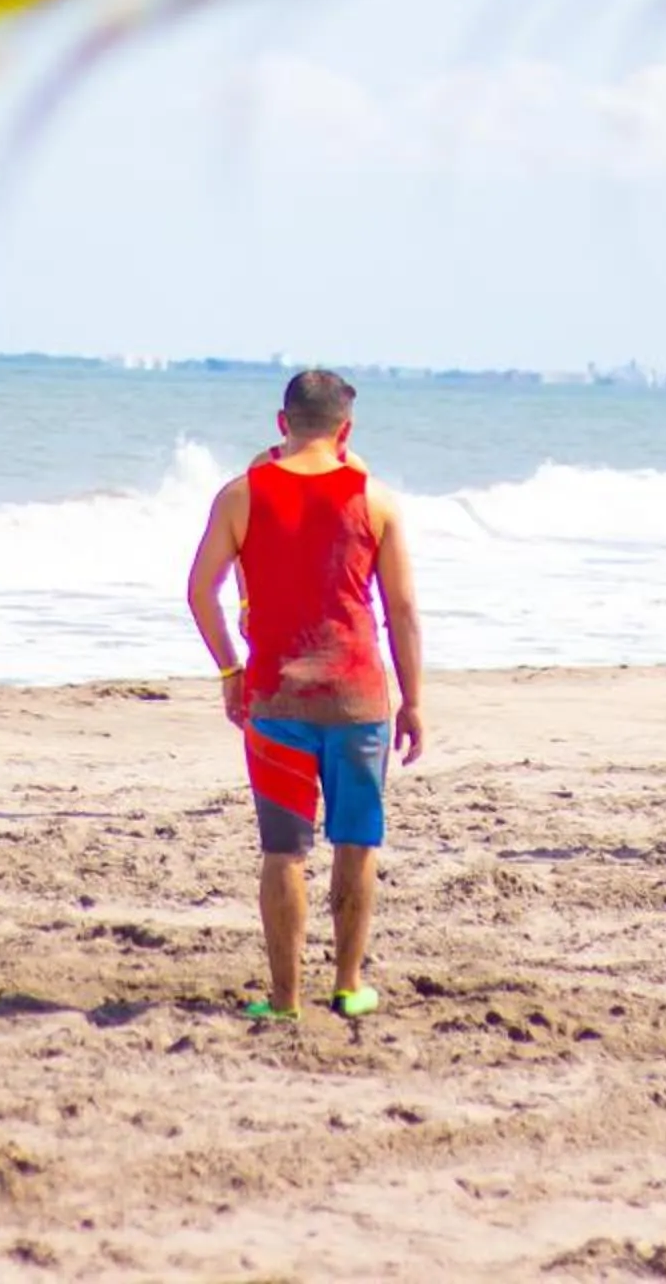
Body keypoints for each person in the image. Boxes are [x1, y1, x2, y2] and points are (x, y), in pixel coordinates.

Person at [183, 370, 423, 1023]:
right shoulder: (376, 499)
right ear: (345, 428)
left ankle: (285, 1000)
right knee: (355, 844)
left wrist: (231, 672)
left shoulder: (240, 495)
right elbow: (401, 609)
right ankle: (347, 986)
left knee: (283, 851)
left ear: (281, 421)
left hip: (275, 700)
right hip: (358, 700)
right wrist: (415, 701)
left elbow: (200, 591)